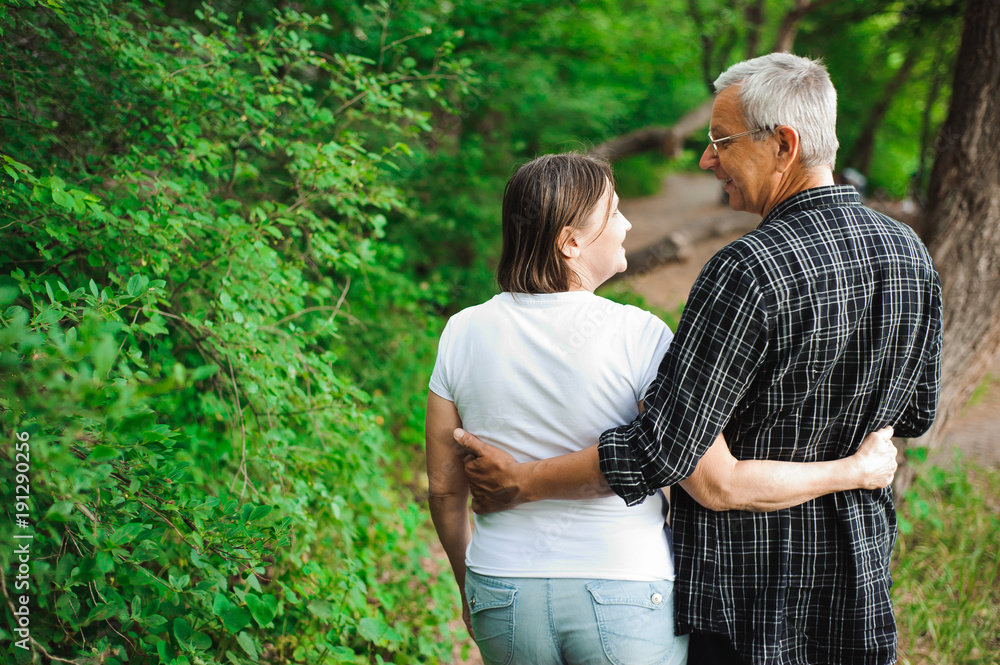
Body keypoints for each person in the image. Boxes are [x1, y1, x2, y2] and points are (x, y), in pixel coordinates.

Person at [455, 54, 943, 665]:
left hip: (747, 595)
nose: (708, 160)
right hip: (857, 581)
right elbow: (917, 413)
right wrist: (852, 462)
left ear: (783, 144)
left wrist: (521, 482)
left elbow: (663, 449)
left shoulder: (747, 271)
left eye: (721, 141)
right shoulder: (910, 254)